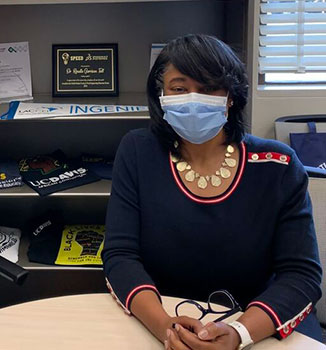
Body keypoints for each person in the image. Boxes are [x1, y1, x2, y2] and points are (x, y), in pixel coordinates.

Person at [102, 34, 322, 350]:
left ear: (231, 96)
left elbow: (301, 274)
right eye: (179, 89)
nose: (193, 98)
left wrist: (239, 334)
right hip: (165, 315)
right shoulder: (138, 152)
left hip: (260, 321)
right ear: (161, 96)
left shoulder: (278, 164)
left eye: (208, 89)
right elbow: (120, 256)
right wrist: (165, 327)